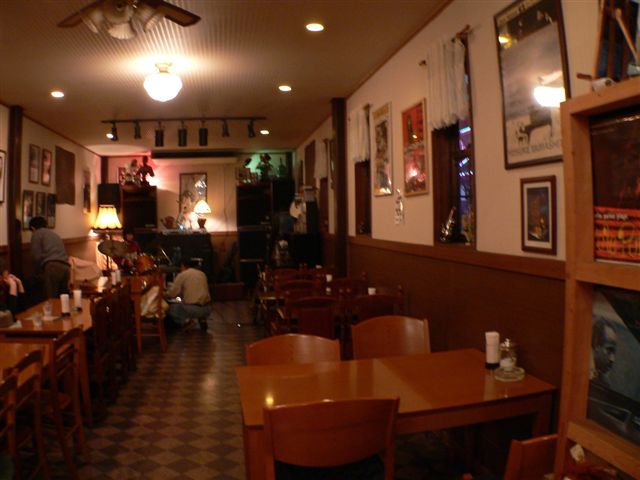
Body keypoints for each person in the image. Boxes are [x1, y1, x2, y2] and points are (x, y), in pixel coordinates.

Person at [29, 215, 70, 299]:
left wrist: (36, 274)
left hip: (52, 267)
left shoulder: (37, 234)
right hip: (66, 267)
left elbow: (36, 257)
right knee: (63, 298)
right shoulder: (54, 234)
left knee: (50, 298)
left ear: (33, 228)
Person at [165, 259, 211, 332]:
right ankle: (202, 319)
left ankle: (186, 322)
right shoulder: (202, 273)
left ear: (182, 266)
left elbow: (172, 294)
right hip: (207, 309)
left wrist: (163, 293)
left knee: (170, 308)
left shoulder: (183, 274)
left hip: (192, 309)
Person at [590, 318, 618, 385]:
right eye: (609, 350)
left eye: (613, 352)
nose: (612, 359)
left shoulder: (605, 383)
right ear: (596, 345)